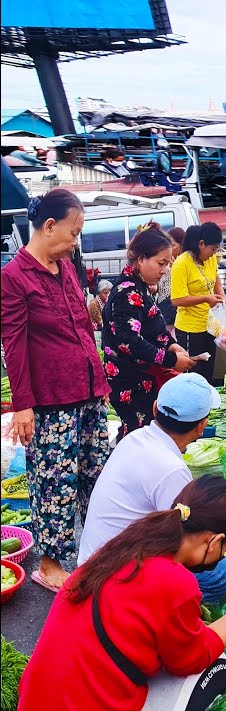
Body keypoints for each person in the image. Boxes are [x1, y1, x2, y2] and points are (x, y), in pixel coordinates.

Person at [20, 475, 226, 711]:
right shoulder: (175, 582)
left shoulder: (132, 541)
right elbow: (192, 660)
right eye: (224, 548)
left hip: (36, 704)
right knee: (218, 668)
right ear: (215, 541)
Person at [0, 189, 111, 591]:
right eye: (73, 232)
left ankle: (96, 550)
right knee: (54, 483)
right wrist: (23, 406)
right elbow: (13, 345)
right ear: (49, 226)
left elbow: (82, 328)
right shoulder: (13, 278)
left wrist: (99, 380)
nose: (76, 242)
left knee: (96, 475)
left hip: (88, 391)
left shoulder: (65, 268)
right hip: (51, 400)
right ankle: (49, 565)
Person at [79, 374, 226, 595]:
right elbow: (185, 548)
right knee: (221, 573)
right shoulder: (171, 470)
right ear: (202, 426)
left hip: (95, 561)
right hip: (112, 578)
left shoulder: (135, 437)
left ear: (155, 409)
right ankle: (162, 608)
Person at [103, 223, 198, 435]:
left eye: (167, 264)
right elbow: (130, 342)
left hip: (142, 380)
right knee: (138, 435)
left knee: (142, 433)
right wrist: (171, 360)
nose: (164, 270)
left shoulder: (140, 288)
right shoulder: (127, 293)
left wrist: (171, 345)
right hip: (129, 382)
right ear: (141, 260)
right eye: (161, 263)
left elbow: (154, 328)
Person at [170, 222, 225, 381]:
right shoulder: (182, 263)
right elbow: (177, 299)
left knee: (207, 372)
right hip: (190, 329)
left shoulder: (210, 259)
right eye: (213, 249)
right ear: (201, 244)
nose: (214, 253)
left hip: (210, 326)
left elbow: (216, 279)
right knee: (192, 374)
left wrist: (222, 298)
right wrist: (206, 298)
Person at [157, 227, 183, 330]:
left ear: (181, 246)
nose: (170, 249)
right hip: (164, 308)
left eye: (173, 245)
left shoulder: (184, 264)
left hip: (176, 310)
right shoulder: (164, 262)